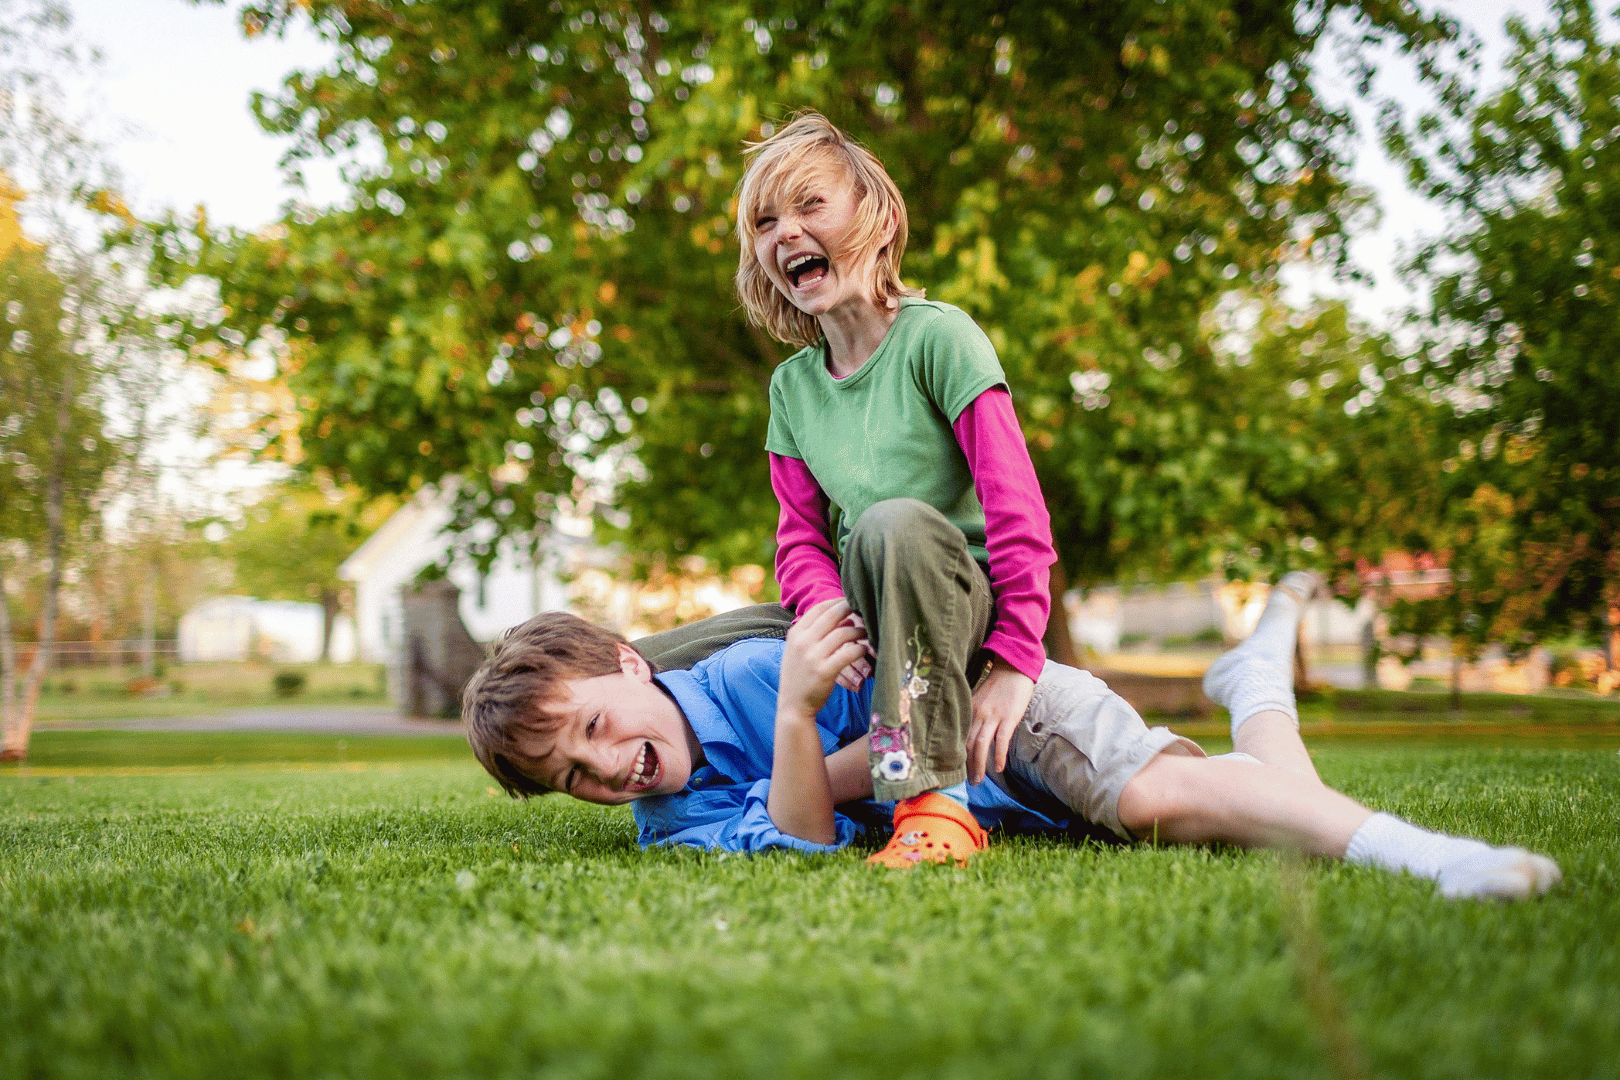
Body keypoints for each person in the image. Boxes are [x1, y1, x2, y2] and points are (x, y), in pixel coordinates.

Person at [460, 588, 1563, 901]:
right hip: (992, 789)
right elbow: (804, 844)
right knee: (1231, 802)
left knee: (1157, 804)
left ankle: (1428, 856)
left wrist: (819, 745)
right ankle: (1256, 682)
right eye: (573, 777)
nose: (607, 768)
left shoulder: (752, 666)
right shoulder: (673, 825)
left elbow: (915, 717)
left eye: (596, 728)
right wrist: (806, 731)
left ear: (629, 659)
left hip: (996, 704)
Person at [734, 111, 1057, 867]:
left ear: (876, 222)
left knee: (890, 524)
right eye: (766, 220)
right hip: (866, 603)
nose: (787, 232)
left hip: (956, 596)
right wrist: (823, 611)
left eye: (810, 206)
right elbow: (799, 539)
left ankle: (933, 806)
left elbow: (1018, 513)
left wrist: (1014, 664)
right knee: (680, 649)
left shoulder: (939, 338)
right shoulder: (792, 389)